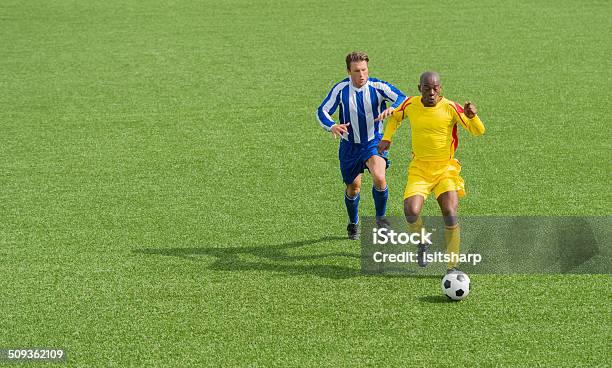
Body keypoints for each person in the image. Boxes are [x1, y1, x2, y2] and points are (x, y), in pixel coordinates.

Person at [376, 71, 485, 272]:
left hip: (446, 169)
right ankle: (423, 241)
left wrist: (473, 117)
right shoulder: (411, 104)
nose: (432, 92)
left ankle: (453, 267)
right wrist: (387, 137)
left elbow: (478, 131)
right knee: (410, 211)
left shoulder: (451, 107)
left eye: (435, 88)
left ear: (440, 89)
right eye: (427, 88)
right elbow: (395, 117)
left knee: (450, 213)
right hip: (420, 169)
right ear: (420, 89)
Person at [317, 51, 407, 240]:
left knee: (380, 178)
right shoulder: (341, 89)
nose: (361, 75)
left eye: (364, 70)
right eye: (357, 71)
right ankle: (353, 223)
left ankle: (381, 221)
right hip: (350, 146)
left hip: (373, 142)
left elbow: (403, 98)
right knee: (354, 188)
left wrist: (393, 107)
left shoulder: (378, 86)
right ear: (349, 71)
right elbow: (322, 110)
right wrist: (332, 125)